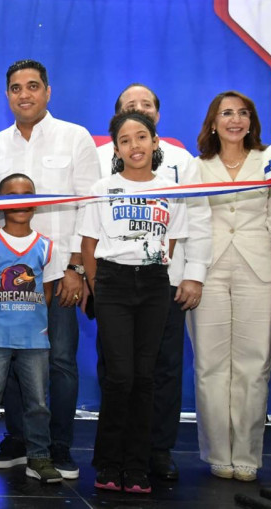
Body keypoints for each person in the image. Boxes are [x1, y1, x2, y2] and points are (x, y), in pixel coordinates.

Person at [0, 59, 100, 479]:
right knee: (12, 361)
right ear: (7, 95)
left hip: (59, 272)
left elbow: (90, 208)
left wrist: (76, 267)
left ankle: (58, 446)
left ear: (48, 91)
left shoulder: (75, 137)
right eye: (16, 88)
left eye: (33, 86)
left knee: (61, 362)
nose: (25, 94)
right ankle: (18, 440)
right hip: (10, 277)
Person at [96, 83, 212, 479]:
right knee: (117, 372)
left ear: (157, 117)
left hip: (167, 283)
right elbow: (90, 223)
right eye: (131, 105)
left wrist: (194, 275)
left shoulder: (183, 161)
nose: (140, 109)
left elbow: (197, 219)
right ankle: (115, 455)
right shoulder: (102, 160)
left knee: (161, 370)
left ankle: (157, 450)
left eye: (146, 105)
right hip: (114, 282)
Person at [80, 111, 188, 493]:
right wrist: (100, 288)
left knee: (145, 376)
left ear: (155, 142)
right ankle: (109, 462)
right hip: (113, 283)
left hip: (155, 283)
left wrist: (153, 271)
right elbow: (88, 246)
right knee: (119, 376)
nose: (134, 146)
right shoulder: (102, 188)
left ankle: (137, 465)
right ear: (116, 149)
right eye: (125, 140)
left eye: (141, 137)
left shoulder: (172, 191)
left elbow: (169, 242)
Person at [190, 91, 271, 482]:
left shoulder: (270, 162)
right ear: (213, 122)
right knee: (209, 365)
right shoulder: (197, 167)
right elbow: (191, 222)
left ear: (251, 122)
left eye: (243, 113)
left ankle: (246, 454)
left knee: (254, 364)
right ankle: (218, 453)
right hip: (208, 270)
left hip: (258, 269)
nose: (235, 119)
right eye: (226, 113)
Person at [0, 173, 62, 484]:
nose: (20, 201)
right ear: (0, 204)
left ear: (36, 202)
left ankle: (39, 457)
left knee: (38, 404)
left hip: (34, 339)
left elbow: (47, 292)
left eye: (26, 195)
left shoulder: (46, 246)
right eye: (12, 196)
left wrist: (29, 316)